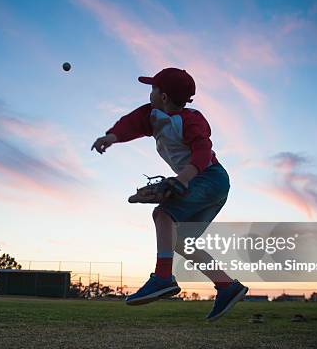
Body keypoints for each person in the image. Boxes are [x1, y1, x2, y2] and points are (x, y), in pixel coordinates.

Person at [91, 68, 248, 320]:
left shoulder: (190, 119)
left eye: (153, 88)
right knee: (181, 242)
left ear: (163, 96)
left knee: (163, 214)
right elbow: (131, 123)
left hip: (210, 178)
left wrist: (183, 179)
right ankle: (227, 286)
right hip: (209, 185)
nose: (149, 92)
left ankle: (163, 276)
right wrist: (111, 136)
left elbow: (203, 150)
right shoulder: (152, 116)